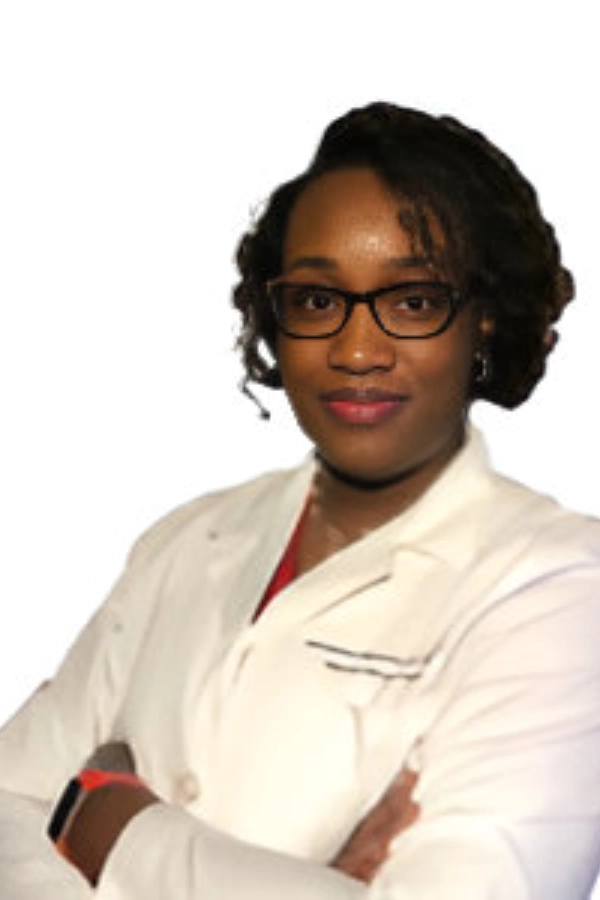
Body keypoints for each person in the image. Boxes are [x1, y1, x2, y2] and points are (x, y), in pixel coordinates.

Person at [1, 101, 600, 899]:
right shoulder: (188, 540)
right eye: (318, 301)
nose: (355, 350)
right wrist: (322, 884)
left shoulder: (560, 589)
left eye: (414, 300)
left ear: (484, 322)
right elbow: (8, 802)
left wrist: (117, 829)